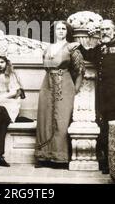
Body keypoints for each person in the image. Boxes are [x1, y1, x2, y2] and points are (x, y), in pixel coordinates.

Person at [81, 20, 115, 174]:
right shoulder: (100, 47)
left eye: (107, 29)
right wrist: (79, 41)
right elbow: (87, 54)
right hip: (102, 96)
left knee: (114, 129)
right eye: (102, 29)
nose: (104, 32)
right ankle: (106, 163)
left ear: (114, 30)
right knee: (104, 127)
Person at [35, 21, 85, 168]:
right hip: (47, 85)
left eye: (64, 29)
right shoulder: (47, 48)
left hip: (64, 85)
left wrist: (75, 89)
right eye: (58, 29)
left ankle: (60, 158)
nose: (61, 31)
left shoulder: (72, 47)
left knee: (61, 120)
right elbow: (45, 67)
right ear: (54, 31)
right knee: (44, 118)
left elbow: (80, 70)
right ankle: (43, 157)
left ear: (67, 31)